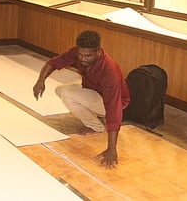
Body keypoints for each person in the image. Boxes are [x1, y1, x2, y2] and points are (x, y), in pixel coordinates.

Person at [32, 30, 130, 168]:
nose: (83, 59)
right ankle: (98, 117)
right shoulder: (79, 52)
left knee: (68, 94)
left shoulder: (109, 71)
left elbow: (113, 108)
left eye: (88, 56)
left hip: (116, 102)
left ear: (98, 52)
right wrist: (40, 81)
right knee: (60, 90)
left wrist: (112, 148)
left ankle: (96, 126)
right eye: (80, 55)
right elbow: (53, 62)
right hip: (96, 92)